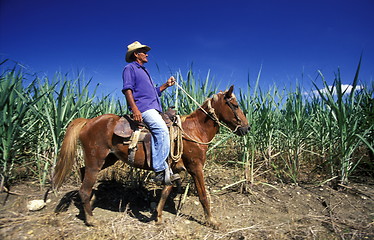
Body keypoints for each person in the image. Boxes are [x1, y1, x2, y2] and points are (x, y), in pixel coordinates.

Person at [122, 41, 178, 185]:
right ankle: (159, 170)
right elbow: (128, 90)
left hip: (153, 107)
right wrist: (135, 109)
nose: (147, 54)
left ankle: (168, 167)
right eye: (143, 52)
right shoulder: (130, 68)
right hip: (144, 108)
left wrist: (166, 85)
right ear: (136, 54)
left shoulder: (144, 71)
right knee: (162, 130)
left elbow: (154, 93)